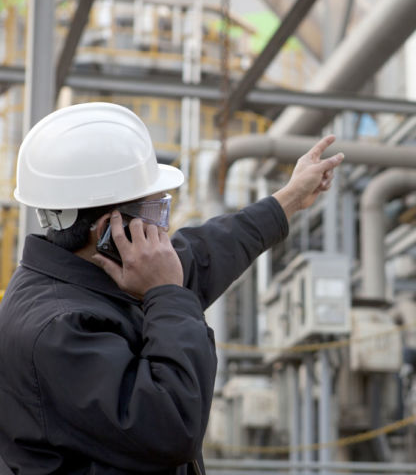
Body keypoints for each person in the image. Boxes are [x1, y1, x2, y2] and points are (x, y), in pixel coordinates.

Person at [0, 102, 344, 474]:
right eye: (155, 212)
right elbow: (173, 425)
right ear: (107, 231)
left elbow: (206, 251)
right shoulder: (59, 330)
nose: (162, 228)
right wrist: (167, 294)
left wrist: (290, 198)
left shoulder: (93, 276)